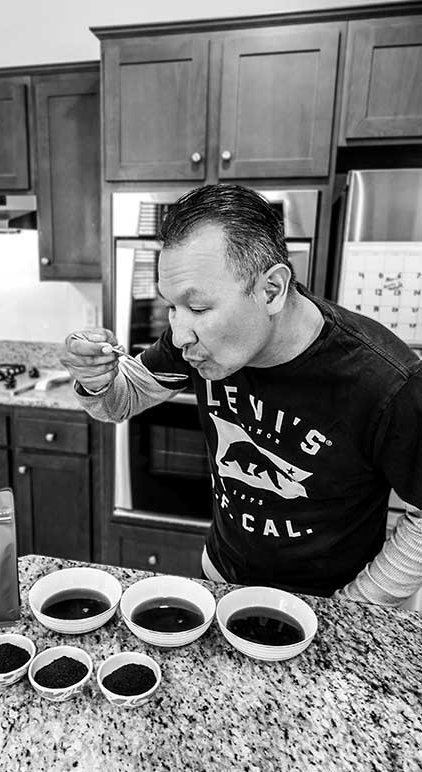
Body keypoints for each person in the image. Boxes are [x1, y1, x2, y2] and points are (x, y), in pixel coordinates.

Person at [62, 183, 422, 606]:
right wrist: (97, 378)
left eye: (197, 308)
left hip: (326, 603)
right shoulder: (193, 342)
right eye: (172, 307)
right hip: (221, 579)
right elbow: (121, 399)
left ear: (271, 290)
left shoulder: (385, 380)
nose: (179, 334)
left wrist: (352, 609)